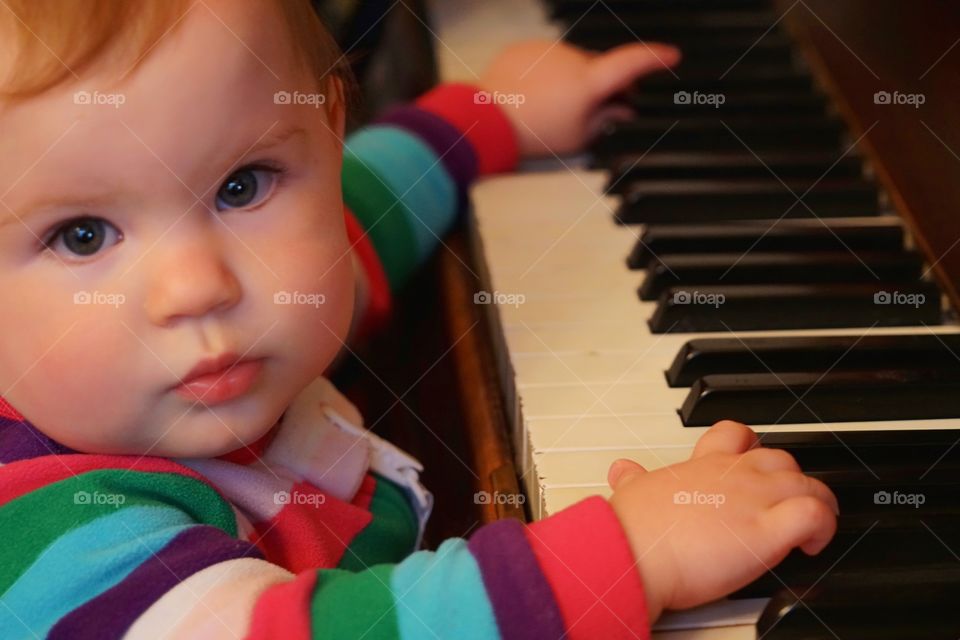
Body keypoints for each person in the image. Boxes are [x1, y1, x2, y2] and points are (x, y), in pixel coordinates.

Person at [0, 1, 839, 637]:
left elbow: (362, 208)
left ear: (327, 130)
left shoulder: (228, 322)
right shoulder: (58, 543)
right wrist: (627, 557)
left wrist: (484, 118)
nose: (198, 287)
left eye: (241, 185)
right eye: (81, 236)